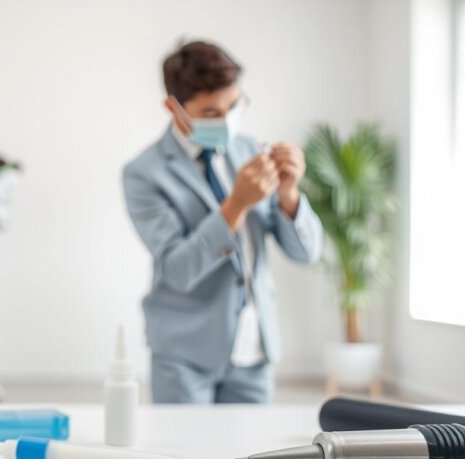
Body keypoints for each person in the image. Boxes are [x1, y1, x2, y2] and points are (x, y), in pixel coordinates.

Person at [123, 40, 323, 404]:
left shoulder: (250, 151)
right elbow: (178, 270)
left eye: (233, 106)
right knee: (183, 441)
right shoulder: (144, 173)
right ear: (173, 108)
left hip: (254, 349)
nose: (227, 120)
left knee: (254, 443)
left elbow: (306, 254)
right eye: (211, 113)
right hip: (184, 354)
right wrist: (237, 204)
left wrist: (290, 194)